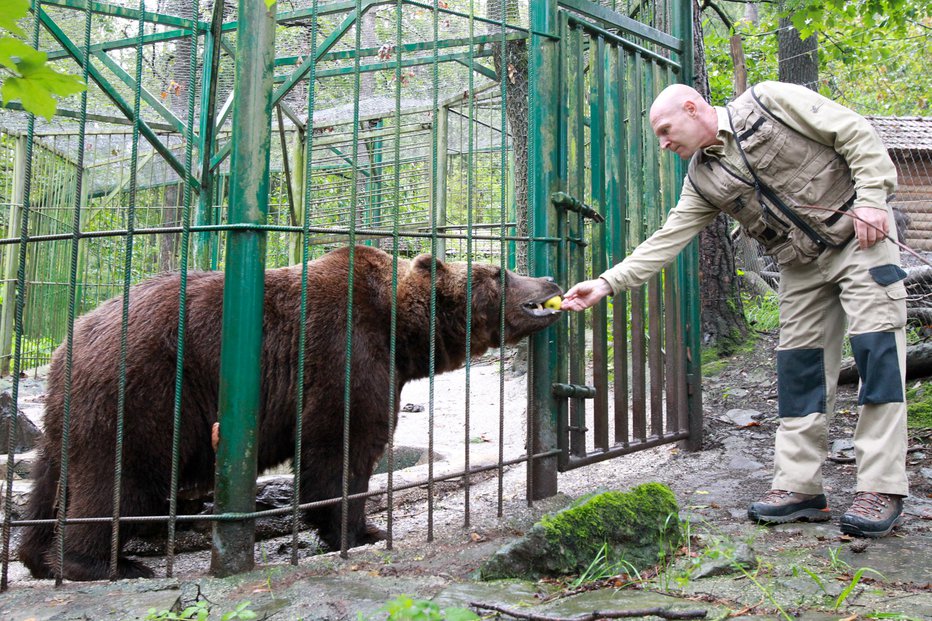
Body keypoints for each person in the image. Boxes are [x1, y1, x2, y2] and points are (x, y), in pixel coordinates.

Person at [561, 81, 907, 538]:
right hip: (799, 266)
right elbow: (667, 239)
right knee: (799, 371)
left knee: (876, 356)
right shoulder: (701, 179)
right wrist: (606, 283)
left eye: (666, 130)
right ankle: (799, 486)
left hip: (859, 236)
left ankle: (880, 487)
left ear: (692, 108)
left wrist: (872, 199)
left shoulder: (769, 102)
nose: (664, 144)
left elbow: (853, 132)